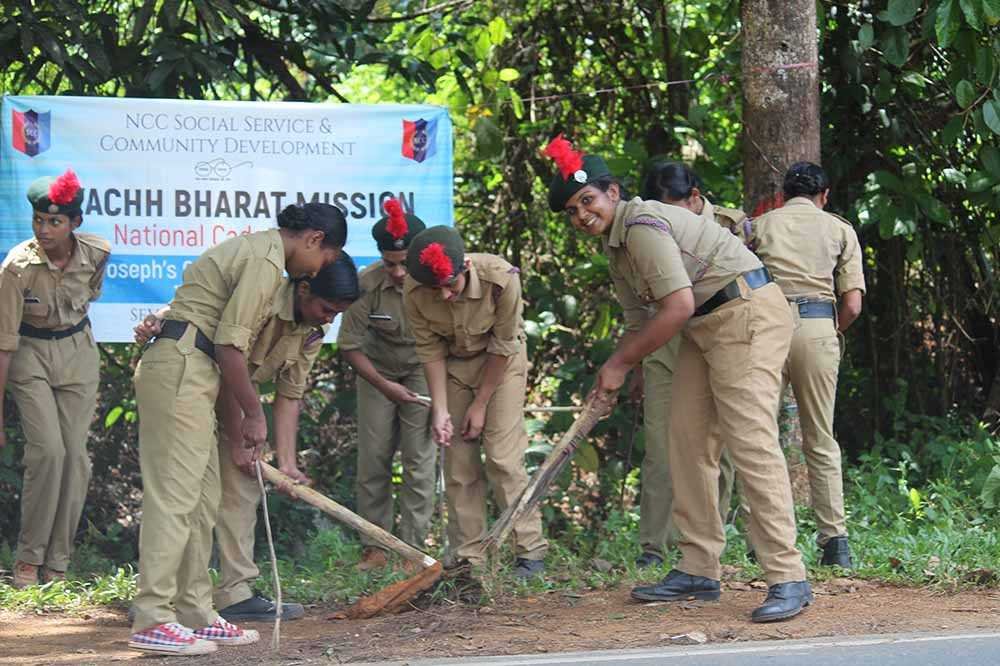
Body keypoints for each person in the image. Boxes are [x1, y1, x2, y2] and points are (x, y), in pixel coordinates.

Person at [545, 135, 811, 622]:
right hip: (702, 328)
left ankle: (788, 574)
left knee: (749, 441)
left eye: (588, 200)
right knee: (686, 441)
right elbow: (638, 324)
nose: (582, 214)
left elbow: (677, 305)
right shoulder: (617, 249)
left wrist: (620, 363)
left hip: (744, 313)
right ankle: (698, 567)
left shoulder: (643, 224)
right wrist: (616, 374)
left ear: (613, 193)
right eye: (572, 210)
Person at [128, 203, 345, 656]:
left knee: (203, 500)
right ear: (313, 240)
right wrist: (253, 414)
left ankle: (194, 611)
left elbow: (228, 352)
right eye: (326, 259)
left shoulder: (266, 256)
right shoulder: (267, 262)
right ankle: (153, 616)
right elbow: (230, 345)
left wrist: (248, 425)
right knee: (175, 495)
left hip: (197, 371)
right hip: (183, 365)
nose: (321, 267)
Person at [402, 226, 548, 578]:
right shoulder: (415, 289)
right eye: (436, 290)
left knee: (502, 456)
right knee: (457, 461)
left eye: (451, 285)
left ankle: (529, 551)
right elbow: (430, 350)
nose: (446, 296)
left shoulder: (501, 280)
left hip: (501, 365)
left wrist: (480, 404)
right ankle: (470, 556)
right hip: (453, 367)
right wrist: (440, 409)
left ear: (465, 266)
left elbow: (503, 345)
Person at [747, 162, 865, 568]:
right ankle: (835, 543)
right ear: (824, 194)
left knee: (762, 438)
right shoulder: (840, 229)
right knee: (820, 439)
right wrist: (829, 330)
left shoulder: (759, 227)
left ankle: (765, 537)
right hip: (818, 328)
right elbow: (852, 303)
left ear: (783, 194)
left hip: (768, 329)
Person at [0, 169, 110, 589]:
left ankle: (57, 563)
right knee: (47, 453)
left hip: (79, 352)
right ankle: (28, 559)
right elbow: (4, 342)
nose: (43, 229)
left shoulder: (97, 253)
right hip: (29, 354)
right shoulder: (17, 266)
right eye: (38, 220)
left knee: (76, 459)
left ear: (75, 223)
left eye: (54, 221)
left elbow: (91, 294)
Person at [628, 162, 740, 568]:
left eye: (673, 206)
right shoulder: (638, 229)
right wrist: (636, 364)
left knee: (720, 452)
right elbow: (639, 309)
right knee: (660, 451)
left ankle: (711, 541)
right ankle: (653, 549)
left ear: (695, 198)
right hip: (665, 347)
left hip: (717, 342)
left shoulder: (732, 226)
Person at [337, 199, 435, 572]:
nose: (397, 272)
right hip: (376, 373)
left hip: (424, 369)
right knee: (374, 457)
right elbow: (350, 345)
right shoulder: (367, 285)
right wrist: (384, 385)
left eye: (405, 263)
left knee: (419, 459)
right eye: (390, 263)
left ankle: (412, 548)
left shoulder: (435, 281)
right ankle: (375, 546)